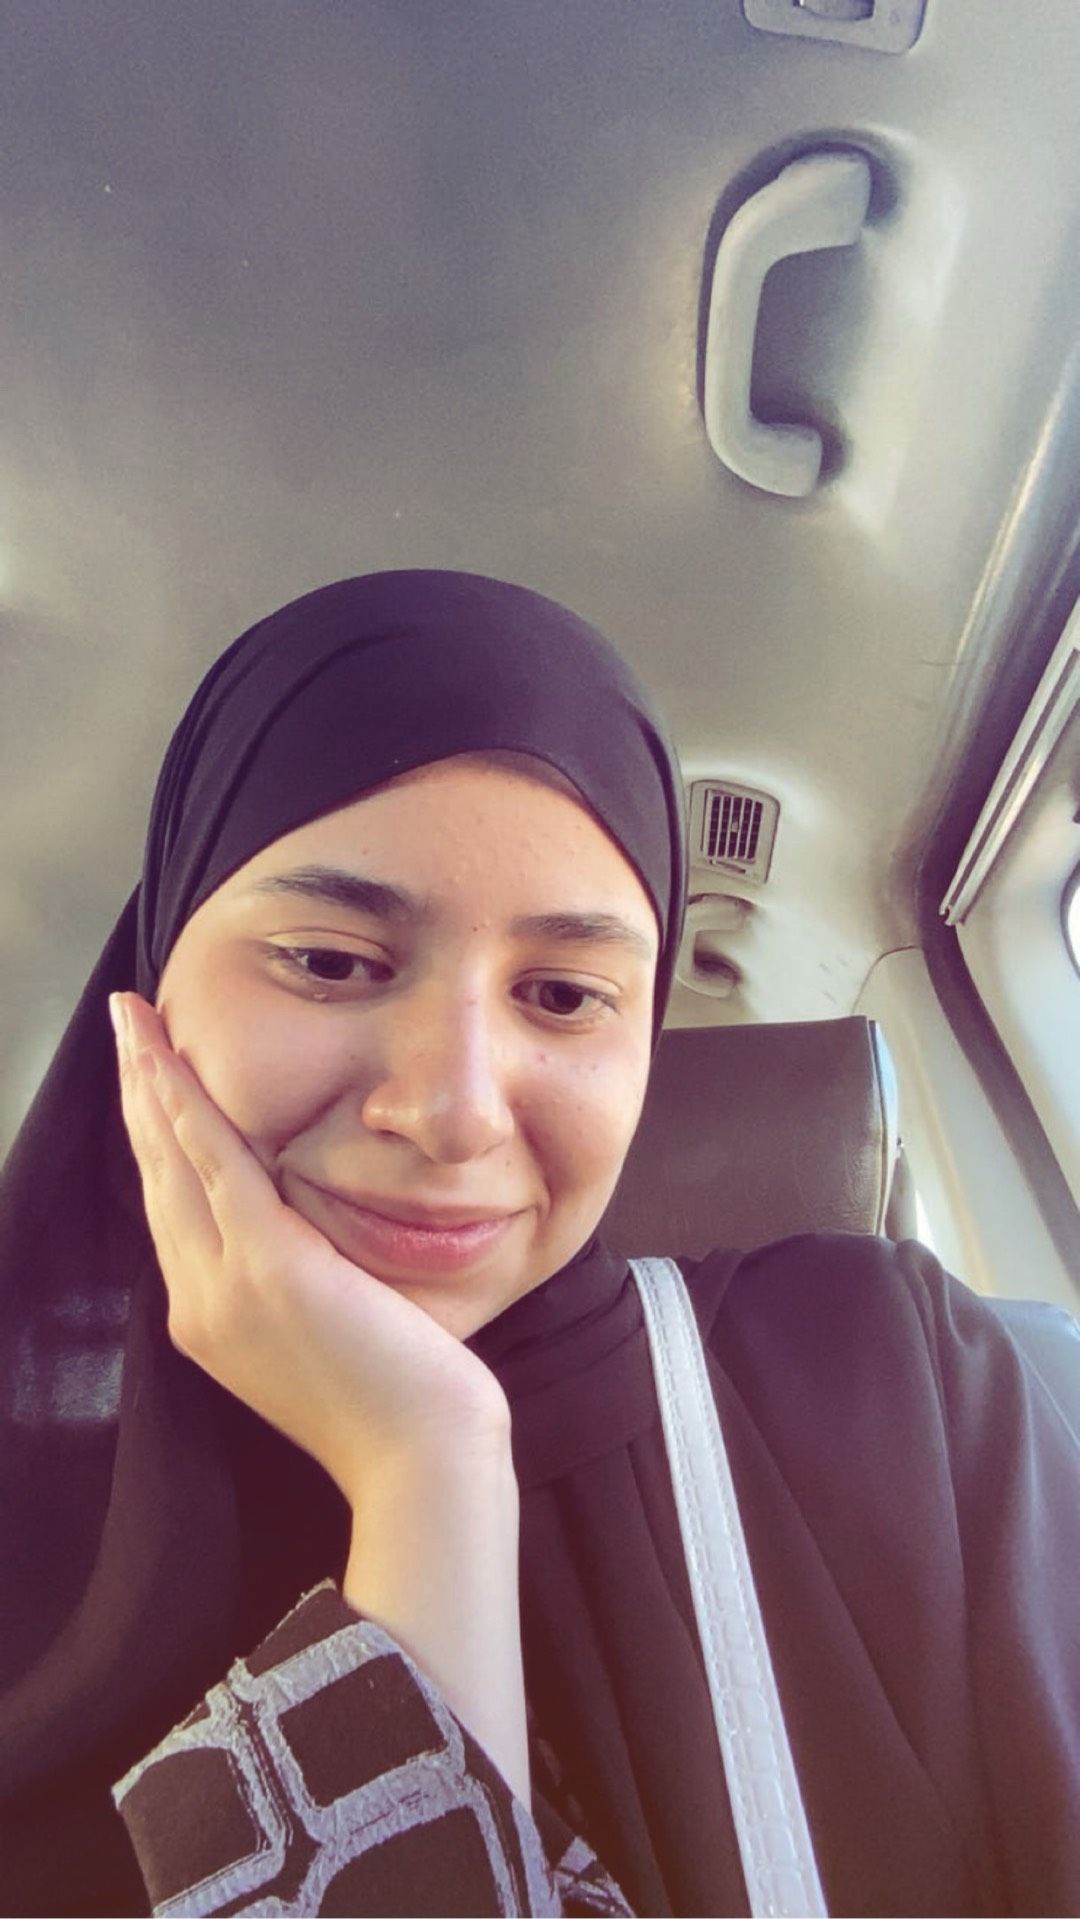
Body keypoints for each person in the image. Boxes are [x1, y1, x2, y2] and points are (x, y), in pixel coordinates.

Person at [0, 571, 1077, 1919]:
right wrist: (426, 1473)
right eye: (330, 961)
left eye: (565, 995)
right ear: (151, 990)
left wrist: (425, 1451)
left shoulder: (905, 1386)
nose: (453, 1113)